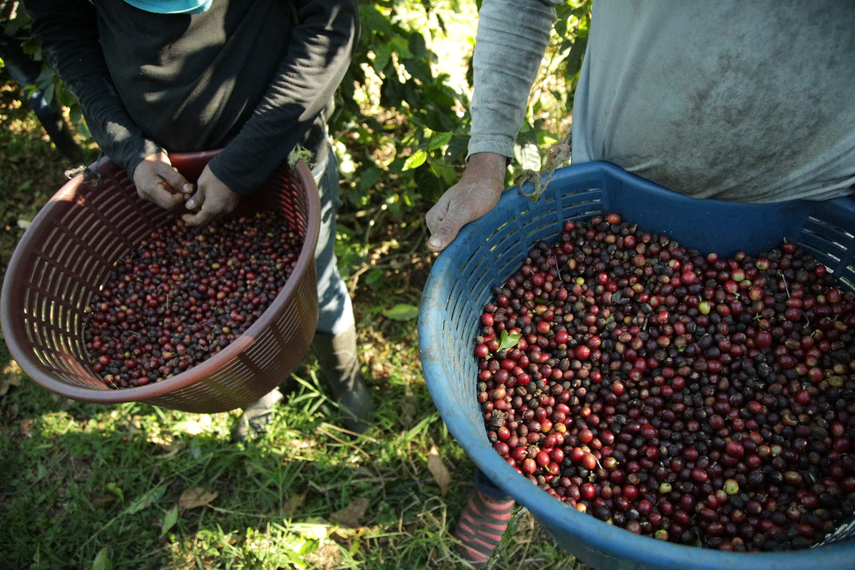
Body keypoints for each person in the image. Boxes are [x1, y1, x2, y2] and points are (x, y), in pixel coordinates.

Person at [426, 0, 855, 565]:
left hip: (811, 210)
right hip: (609, 187)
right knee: (513, 410)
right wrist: (486, 159)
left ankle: (507, 475)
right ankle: (499, 484)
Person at [24, 0, 372, 438]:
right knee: (237, 316)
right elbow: (61, 27)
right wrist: (129, 147)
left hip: (282, 155)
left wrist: (239, 166)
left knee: (316, 276)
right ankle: (260, 386)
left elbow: (331, 24)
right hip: (169, 177)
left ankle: (346, 383)